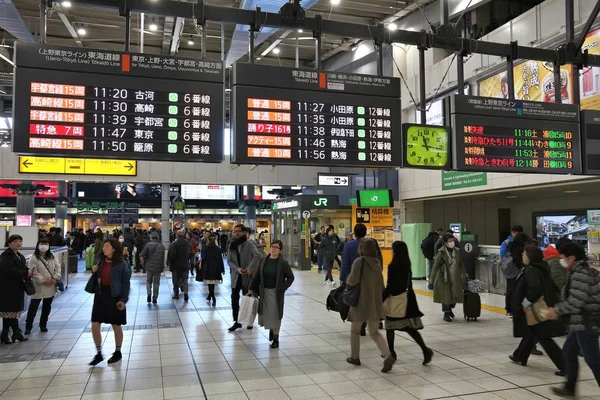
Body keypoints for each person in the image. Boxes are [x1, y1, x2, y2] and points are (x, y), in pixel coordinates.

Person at [546, 242, 600, 397]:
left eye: (562, 257)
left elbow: (577, 301)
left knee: (593, 360)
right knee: (569, 352)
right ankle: (569, 388)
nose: (560, 260)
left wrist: (557, 310)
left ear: (572, 258)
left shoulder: (580, 273)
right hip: (579, 322)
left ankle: (569, 388)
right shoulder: (577, 271)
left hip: (586, 322)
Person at [509, 246, 565, 374]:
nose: (522, 256)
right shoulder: (541, 267)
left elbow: (534, 288)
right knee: (532, 332)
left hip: (536, 308)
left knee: (543, 337)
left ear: (530, 257)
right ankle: (520, 356)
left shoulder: (531, 270)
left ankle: (565, 366)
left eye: (524, 254)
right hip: (542, 306)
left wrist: (525, 303)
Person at [346, 238, 395, 373]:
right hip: (375, 302)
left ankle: (355, 357)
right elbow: (381, 284)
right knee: (374, 332)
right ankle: (387, 355)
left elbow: (352, 280)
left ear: (362, 249)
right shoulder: (377, 263)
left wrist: (347, 280)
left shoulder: (359, 262)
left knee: (355, 330)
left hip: (361, 302)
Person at [384, 241, 434, 365]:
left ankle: (391, 353)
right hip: (408, 300)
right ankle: (425, 350)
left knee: (390, 328)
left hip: (396, 301)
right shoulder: (407, 264)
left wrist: (381, 297)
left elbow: (391, 286)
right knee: (410, 328)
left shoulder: (393, 266)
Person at [89, 239, 131, 366]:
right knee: (95, 324)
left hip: (115, 296)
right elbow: (96, 278)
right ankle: (98, 352)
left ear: (114, 249)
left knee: (116, 325)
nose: (104, 248)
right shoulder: (100, 262)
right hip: (100, 295)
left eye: (107, 246)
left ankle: (118, 351)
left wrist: (123, 299)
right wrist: (94, 271)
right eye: (104, 246)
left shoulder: (122, 264)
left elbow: (126, 283)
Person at [249, 240, 295, 348]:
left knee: (275, 316)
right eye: (272, 246)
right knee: (266, 315)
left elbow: (291, 277)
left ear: (280, 250)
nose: (273, 249)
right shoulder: (263, 260)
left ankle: (276, 339)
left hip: (276, 293)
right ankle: (271, 331)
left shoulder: (283, 263)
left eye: (276, 247)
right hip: (264, 292)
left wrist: (282, 288)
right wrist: (251, 287)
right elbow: (257, 275)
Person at [227, 224, 261, 332]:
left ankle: (249, 321)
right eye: (235, 231)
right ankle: (237, 321)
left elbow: (257, 255)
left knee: (249, 299)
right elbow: (229, 260)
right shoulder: (231, 245)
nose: (236, 233)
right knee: (234, 299)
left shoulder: (249, 244)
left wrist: (250, 268)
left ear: (243, 233)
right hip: (236, 276)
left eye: (238, 231)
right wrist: (237, 269)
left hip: (248, 276)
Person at [0, 235, 33, 344]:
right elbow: (9, 271)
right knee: (10, 311)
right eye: (15, 241)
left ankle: (5, 334)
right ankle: (15, 332)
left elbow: (22, 269)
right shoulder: (5, 256)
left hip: (17, 288)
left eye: (20, 241)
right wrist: (25, 272)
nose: (18, 243)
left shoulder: (20, 256)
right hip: (8, 288)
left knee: (10, 312)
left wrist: (30, 272)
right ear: (9, 243)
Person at [25, 239, 61, 334]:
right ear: (38, 245)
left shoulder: (52, 256)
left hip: (51, 286)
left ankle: (43, 324)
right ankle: (28, 326)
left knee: (47, 306)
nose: (44, 246)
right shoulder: (33, 258)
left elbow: (58, 267)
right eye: (42, 244)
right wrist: (43, 281)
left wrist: (55, 278)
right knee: (33, 307)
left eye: (46, 244)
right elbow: (33, 272)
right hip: (38, 286)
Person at [431, 233, 467, 322]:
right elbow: (435, 266)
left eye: (453, 240)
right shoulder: (441, 253)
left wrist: (464, 273)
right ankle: (446, 313)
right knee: (446, 295)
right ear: (445, 243)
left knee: (454, 295)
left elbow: (460, 264)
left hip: (455, 276)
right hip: (444, 277)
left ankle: (450, 308)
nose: (452, 242)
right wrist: (431, 279)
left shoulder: (457, 251)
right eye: (450, 241)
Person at [506, 232, 530, 316]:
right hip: (517, 271)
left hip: (509, 269)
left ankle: (508, 309)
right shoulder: (521, 249)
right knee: (516, 290)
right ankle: (513, 309)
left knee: (509, 289)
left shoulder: (510, 245)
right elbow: (520, 261)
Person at [140, 232, 165, 304]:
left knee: (148, 281)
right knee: (156, 283)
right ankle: (155, 298)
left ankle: (148, 294)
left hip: (149, 267)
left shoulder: (148, 245)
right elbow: (162, 258)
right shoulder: (162, 246)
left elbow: (142, 254)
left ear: (151, 237)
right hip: (158, 267)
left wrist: (142, 261)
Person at [200, 233, 225, 307]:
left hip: (207, 268)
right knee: (212, 284)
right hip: (215, 268)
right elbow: (220, 259)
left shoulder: (205, 248)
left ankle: (212, 297)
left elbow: (203, 258)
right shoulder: (218, 249)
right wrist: (222, 269)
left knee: (210, 284)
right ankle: (210, 296)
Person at [168, 230, 191, 301]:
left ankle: (176, 294)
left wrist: (169, 262)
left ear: (176, 235)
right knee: (185, 280)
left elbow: (171, 256)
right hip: (185, 265)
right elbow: (189, 253)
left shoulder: (174, 244)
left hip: (176, 266)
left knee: (175, 280)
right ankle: (185, 293)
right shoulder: (187, 243)